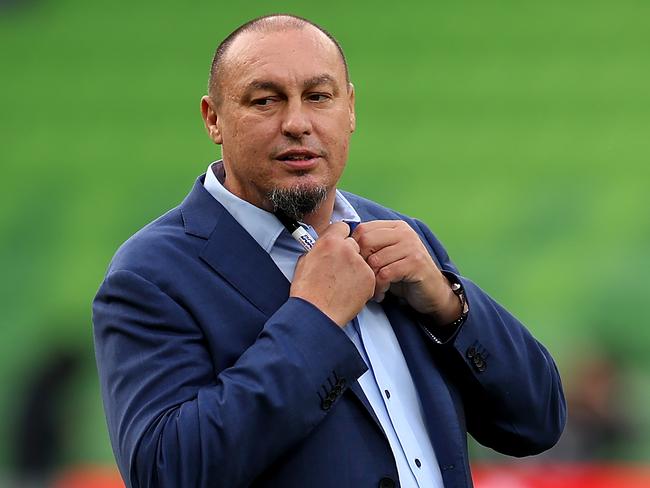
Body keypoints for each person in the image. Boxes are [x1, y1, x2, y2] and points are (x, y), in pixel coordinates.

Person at [93, 14, 566, 488]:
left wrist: (448, 305)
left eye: (318, 97)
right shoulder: (150, 275)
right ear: (213, 118)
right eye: (265, 100)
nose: (298, 123)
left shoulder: (400, 237)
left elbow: (537, 421)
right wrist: (314, 320)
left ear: (351, 108)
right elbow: (166, 472)